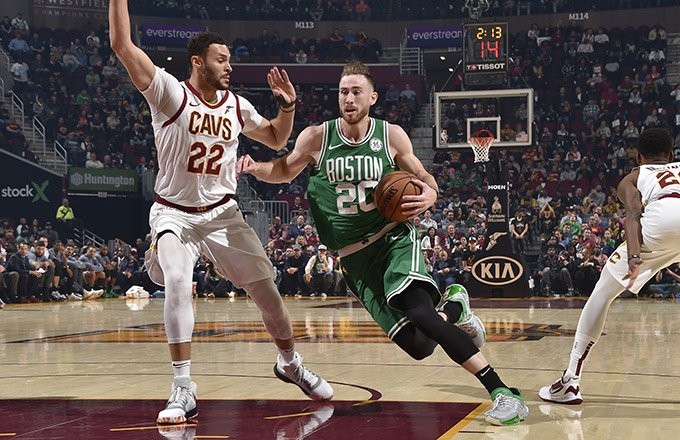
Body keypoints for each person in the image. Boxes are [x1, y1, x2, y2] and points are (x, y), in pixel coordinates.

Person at [238, 61, 528, 425]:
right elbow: (283, 169)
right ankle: (455, 308)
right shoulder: (317, 137)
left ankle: (503, 392)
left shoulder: (390, 135)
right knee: (419, 346)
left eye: (356, 91)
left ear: (372, 98)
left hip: (392, 239)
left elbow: (422, 176)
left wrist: (430, 194)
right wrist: (255, 168)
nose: (348, 98)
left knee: (421, 313)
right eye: (343, 92)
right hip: (354, 260)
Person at [109, 0, 333, 425]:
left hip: (223, 214)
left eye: (230, 59)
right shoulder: (170, 92)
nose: (230, 66)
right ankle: (183, 386)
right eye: (222, 59)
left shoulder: (235, 105)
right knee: (178, 279)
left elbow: (275, 139)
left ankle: (290, 363)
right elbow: (122, 44)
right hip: (174, 213)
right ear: (198, 62)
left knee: (268, 294)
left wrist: (287, 107)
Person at [539, 128, 680, 404]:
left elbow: (633, 213)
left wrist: (634, 256)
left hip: (659, 226)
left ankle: (571, 381)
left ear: (639, 157)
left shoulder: (635, 176)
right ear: (672, 155)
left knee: (602, 295)